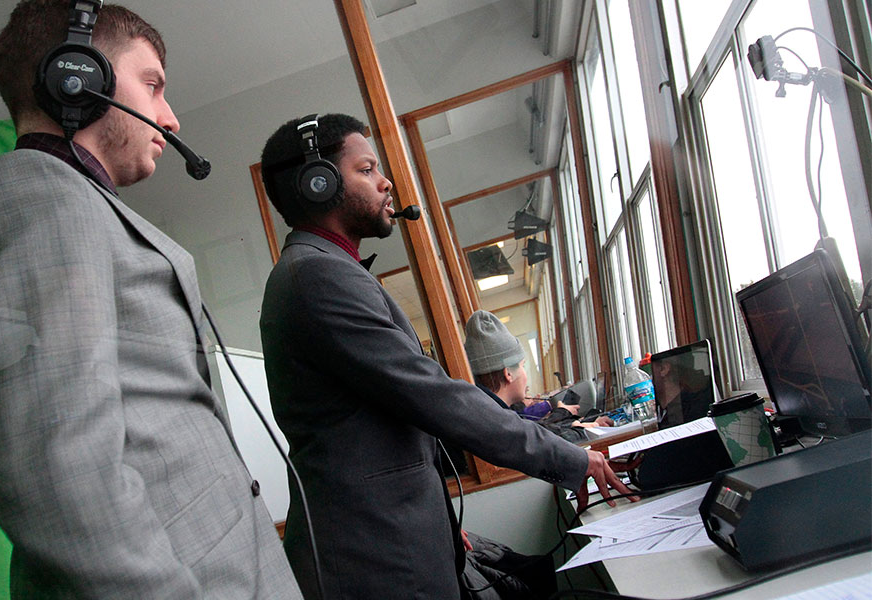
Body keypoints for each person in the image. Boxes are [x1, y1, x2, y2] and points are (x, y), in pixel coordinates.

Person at [0, 2, 302, 598]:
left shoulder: (77, 203)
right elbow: (61, 476)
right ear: (76, 76)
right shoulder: (35, 194)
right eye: (152, 85)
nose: (171, 119)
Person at [259, 113, 636, 600]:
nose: (385, 181)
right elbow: (437, 399)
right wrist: (569, 458)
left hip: (390, 540)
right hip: (378, 559)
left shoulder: (324, 271)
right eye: (367, 169)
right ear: (319, 184)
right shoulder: (318, 278)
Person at [463, 310, 613, 443]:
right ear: (508, 373)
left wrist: (577, 427)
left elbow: (535, 433)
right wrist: (584, 429)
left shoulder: (488, 413)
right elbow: (538, 444)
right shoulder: (497, 421)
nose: (524, 373)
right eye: (522, 365)